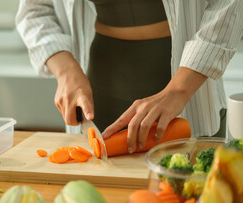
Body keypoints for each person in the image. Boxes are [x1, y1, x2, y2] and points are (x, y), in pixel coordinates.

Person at [16, 0, 243, 153]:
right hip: (100, 90)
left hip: (190, 86)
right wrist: (65, 71)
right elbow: (35, 10)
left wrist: (179, 89)